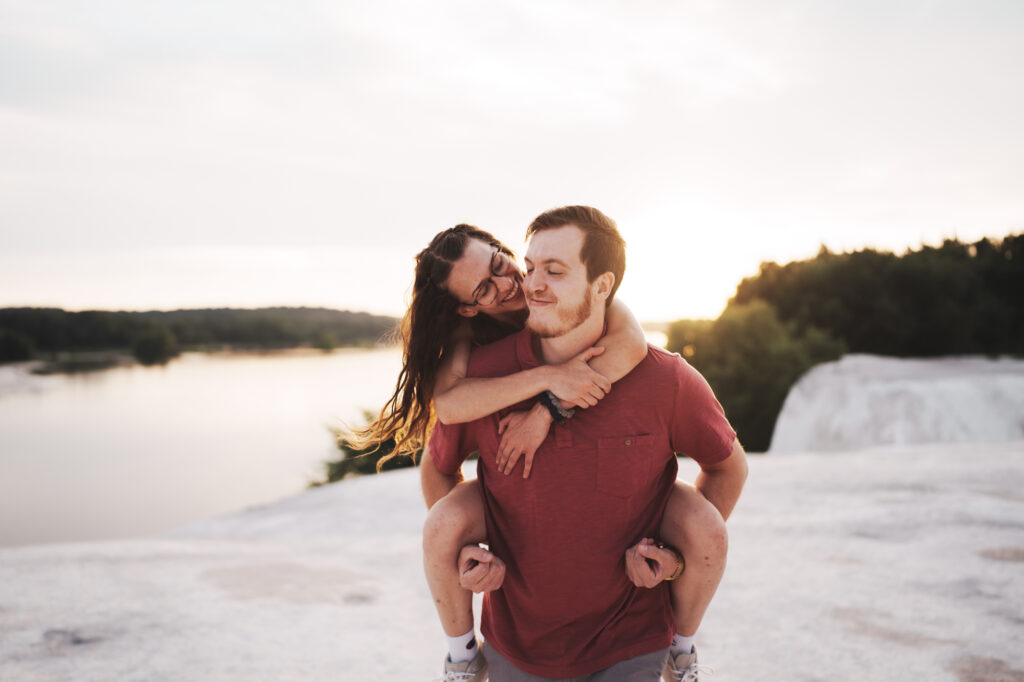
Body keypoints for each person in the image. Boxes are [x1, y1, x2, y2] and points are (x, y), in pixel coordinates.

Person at [421, 206, 748, 681]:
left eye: (551, 271)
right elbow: (443, 437)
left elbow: (728, 466)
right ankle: (461, 660)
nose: (523, 284)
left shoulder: (662, 375)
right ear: (469, 307)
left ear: (602, 286)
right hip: (517, 643)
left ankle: (683, 652)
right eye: (530, 268)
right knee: (442, 521)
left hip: (630, 642)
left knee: (705, 524)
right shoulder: (477, 370)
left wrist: (673, 559)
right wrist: (472, 552)